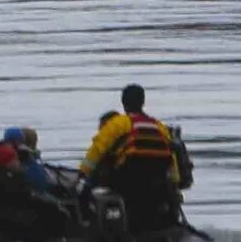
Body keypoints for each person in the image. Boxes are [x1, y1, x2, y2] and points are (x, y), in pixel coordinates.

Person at [81, 83, 192, 234]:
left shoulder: (118, 124)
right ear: (143, 102)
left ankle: (88, 222)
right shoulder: (160, 128)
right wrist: (174, 183)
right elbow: (171, 160)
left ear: (123, 102)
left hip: (126, 182)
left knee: (88, 188)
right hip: (156, 187)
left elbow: (97, 150)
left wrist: (83, 175)